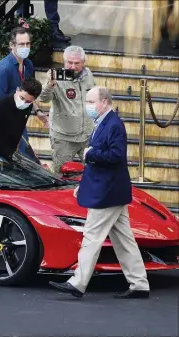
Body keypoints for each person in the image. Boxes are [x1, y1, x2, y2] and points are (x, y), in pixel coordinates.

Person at [49, 86, 150, 299]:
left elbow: (115, 155)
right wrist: (84, 183)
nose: (88, 106)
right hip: (110, 190)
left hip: (107, 192)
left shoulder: (113, 124)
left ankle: (77, 282)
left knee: (91, 236)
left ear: (104, 102)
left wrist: (91, 154)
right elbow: (99, 164)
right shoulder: (104, 123)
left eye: (91, 101)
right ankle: (139, 283)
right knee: (124, 240)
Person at [37, 45, 95, 173]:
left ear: (83, 62)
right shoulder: (56, 77)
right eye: (69, 63)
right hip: (64, 138)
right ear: (64, 62)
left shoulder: (88, 75)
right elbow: (43, 98)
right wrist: (50, 84)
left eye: (77, 63)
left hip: (87, 135)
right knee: (61, 173)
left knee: (95, 170)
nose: (73, 67)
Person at [0, 27, 48, 153]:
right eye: (21, 44)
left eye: (28, 44)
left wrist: (38, 111)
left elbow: (30, 93)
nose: (25, 47)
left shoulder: (28, 64)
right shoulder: (4, 69)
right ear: (12, 45)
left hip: (20, 120)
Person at [0, 78, 42, 154]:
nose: (23, 103)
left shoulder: (28, 107)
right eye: (22, 98)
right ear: (17, 90)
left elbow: (19, 130)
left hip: (10, 153)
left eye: (28, 101)